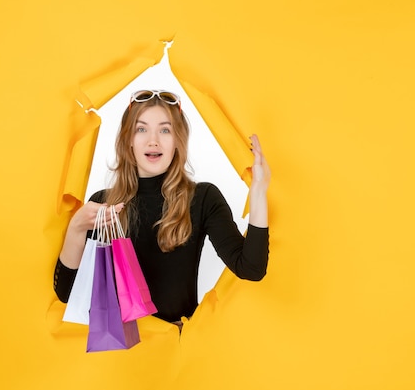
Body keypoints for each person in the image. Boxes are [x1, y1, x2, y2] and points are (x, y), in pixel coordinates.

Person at [53, 89, 270, 329]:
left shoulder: (203, 198)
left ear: (178, 140)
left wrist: (259, 192)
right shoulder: (104, 204)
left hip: (175, 356)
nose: (153, 140)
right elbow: (67, 295)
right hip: (119, 358)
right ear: (128, 140)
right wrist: (76, 229)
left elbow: (251, 268)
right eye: (141, 129)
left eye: (165, 130)